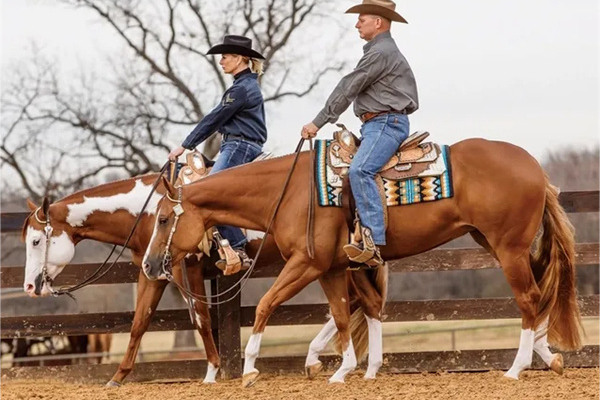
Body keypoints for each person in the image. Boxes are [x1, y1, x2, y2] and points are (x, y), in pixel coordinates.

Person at [300, 0, 418, 267]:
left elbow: (348, 87)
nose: (357, 24)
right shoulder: (381, 52)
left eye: (362, 19)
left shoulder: (380, 53)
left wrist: (317, 122)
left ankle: (372, 240)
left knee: (360, 171)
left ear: (378, 22)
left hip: (385, 123)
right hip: (378, 123)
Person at [169, 35, 267, 268]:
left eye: (224, 57)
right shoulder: (244, 87)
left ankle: (238, 247)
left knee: (207, 193)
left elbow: (214, 118)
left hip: (238, 146)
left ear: (239, 58)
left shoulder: (241, 90)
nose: (221, 61)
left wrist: (185, 145)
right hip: (238, 144)